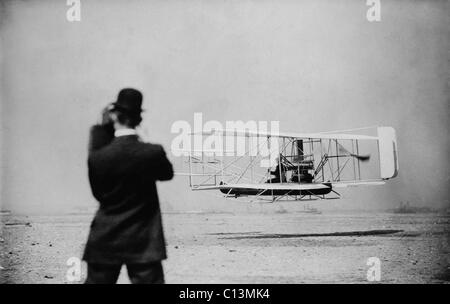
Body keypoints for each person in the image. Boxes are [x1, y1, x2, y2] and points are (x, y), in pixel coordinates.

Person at [83, 88, 174, 284]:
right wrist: (146, 142)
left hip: (105, 237)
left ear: (114, 116)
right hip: (144, 242)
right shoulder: (152, 152)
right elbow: (167, 174)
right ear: (139, 119)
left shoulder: (98, 157)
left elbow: (98, 194)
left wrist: (101, 131)